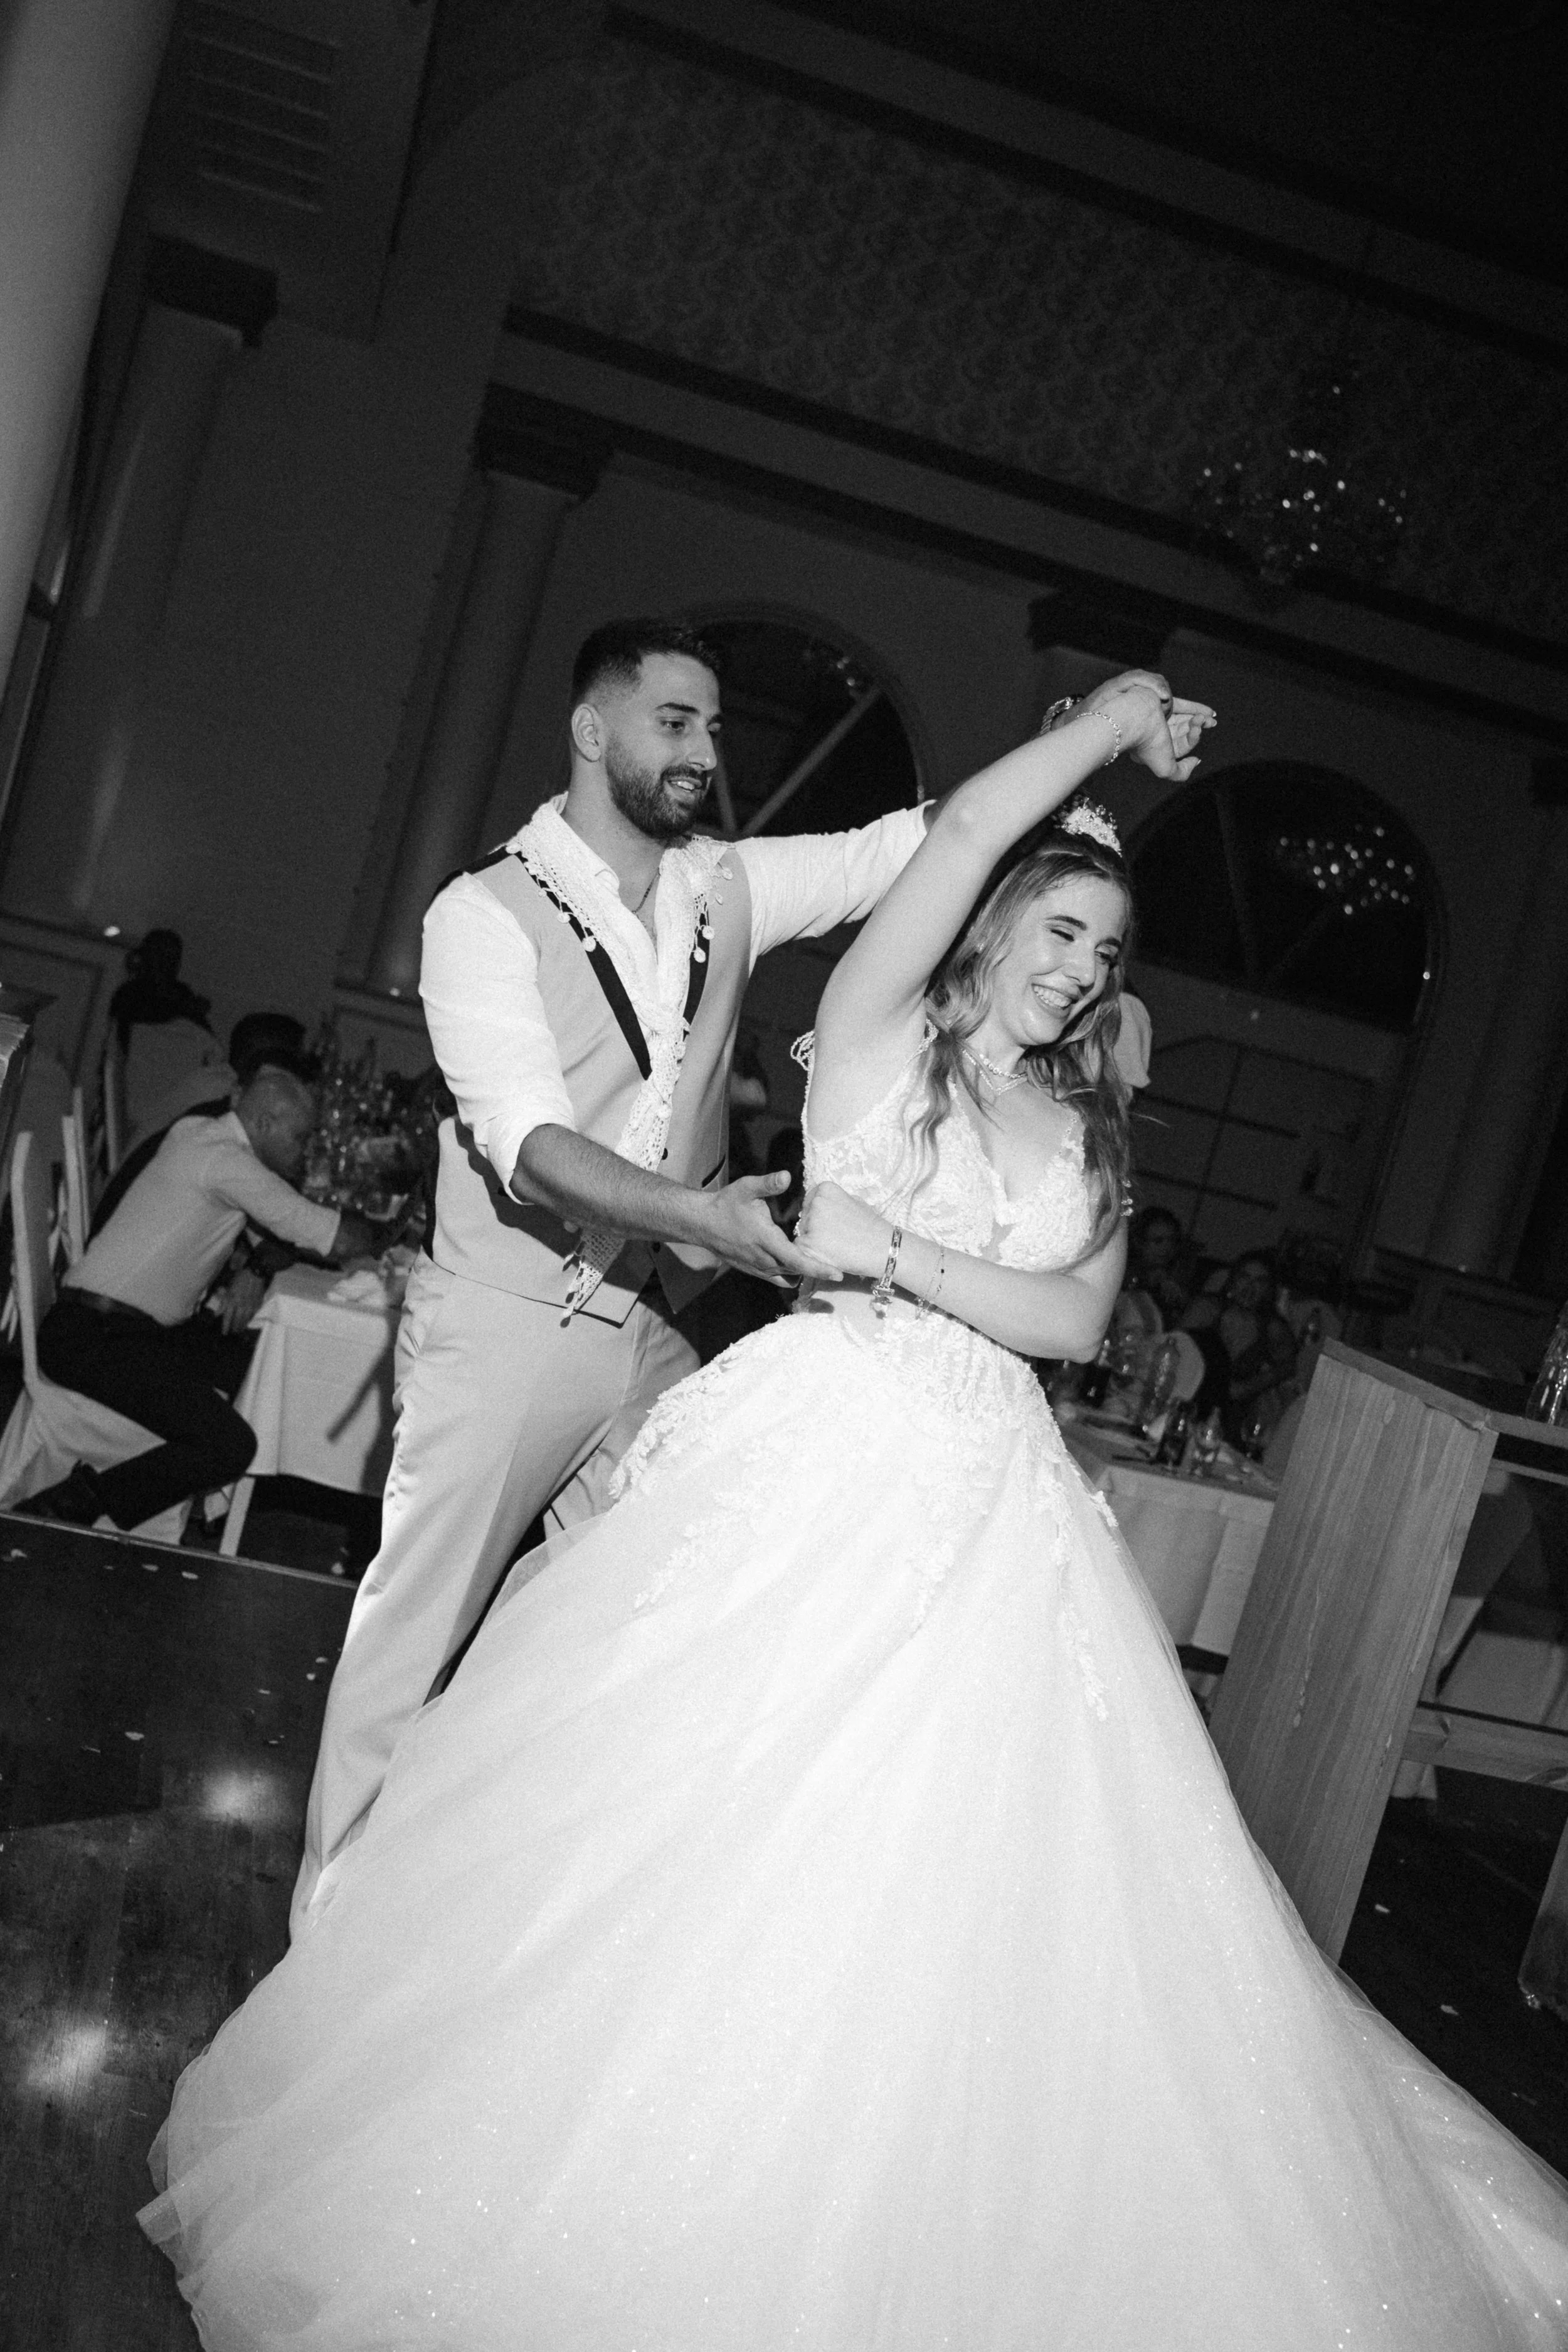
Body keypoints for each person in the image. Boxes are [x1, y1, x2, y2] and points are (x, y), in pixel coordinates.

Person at [142, 676, 1568, 2346]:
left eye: (1104, 953)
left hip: (999, 1508)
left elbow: (1071, 1321)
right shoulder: (883, 1026)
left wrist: (894, 1252)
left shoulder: (1084, 1119)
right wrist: (1105, 725)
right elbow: (960, 831)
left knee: (966, 1876)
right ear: (980, 927)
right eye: (1055, 928)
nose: (1076, 970)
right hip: (816, 1447)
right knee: (706, 1816)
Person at [291, 615, 944, 1931]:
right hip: (505, 1317)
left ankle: (502, 1885)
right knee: (413, 1624)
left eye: (712, 726)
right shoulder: (480, 914)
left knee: (636, 1606)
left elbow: (900, 853)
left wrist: (1066, 758)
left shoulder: (724, 887)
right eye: (676, 723)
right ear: (593, 734)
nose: (705, 750)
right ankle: (329, 1926)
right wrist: (703, 1219)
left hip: (649, 1326)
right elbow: (529, 1147)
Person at [24, 1067, 372, 1533]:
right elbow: (334, 1238)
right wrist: (389, 1235)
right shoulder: (230, 1164)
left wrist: (261, 1262)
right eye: (300, 1138)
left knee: (253, 1365)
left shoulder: (200, 1135)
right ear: (265, 1125)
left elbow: (276, 1236)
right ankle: (74, 1502)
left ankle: (206, 1510)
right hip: (94, 1340)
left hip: (114, 1328)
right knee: (230, 1446)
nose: (304, 1151)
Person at [1184, 1247, 1298, 1441]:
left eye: (1260, 1282)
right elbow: (1173, 1347)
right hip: (1188, 1405)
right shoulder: (1206, 1309)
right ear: (1233, 1279)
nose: (1250, 1287)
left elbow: (1288, 1366)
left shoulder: (1272, 1328)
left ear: (1270, 1289)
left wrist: (1250, 1387)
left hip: (1229, 1424)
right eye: (1244, 1277)